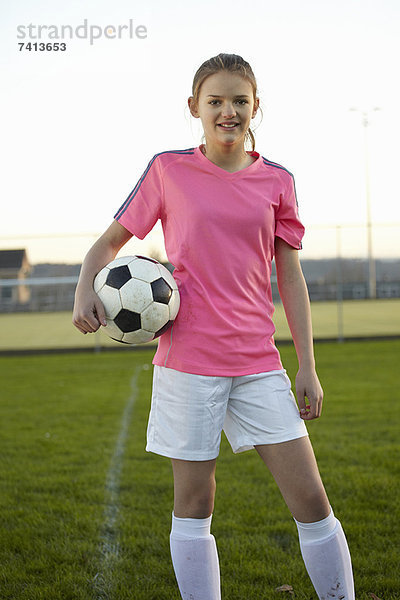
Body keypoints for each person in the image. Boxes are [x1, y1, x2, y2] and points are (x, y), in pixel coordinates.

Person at [73, 53, 355, 599]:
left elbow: (290, 279)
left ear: (255, 108)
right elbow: (108, 245)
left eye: (239, 101)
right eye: (216, 101)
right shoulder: (168, 170)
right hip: (187, 365)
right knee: (195, 506)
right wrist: (86, 285)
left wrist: (308, 367)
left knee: (313, 504)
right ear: (195, 108)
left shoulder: (278, 181)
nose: (228, 111)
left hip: (258, 364)